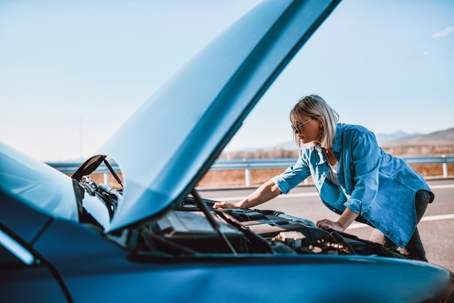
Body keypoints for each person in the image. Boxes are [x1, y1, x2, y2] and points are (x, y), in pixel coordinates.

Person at [214, 94, 434, 261]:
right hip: (374, 204)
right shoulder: (311, 152)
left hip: (404, 194)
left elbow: (366, 185)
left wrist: (340, 224)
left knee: (380, 255)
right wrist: (240, 205)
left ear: (319, 120)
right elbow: (279, 184)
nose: (296, 131)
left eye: (299, 124)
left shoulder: (358, 137)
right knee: (407, 257)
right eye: (293, 126)